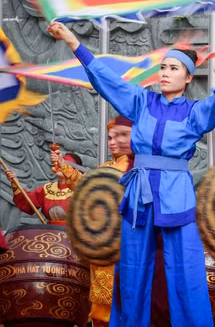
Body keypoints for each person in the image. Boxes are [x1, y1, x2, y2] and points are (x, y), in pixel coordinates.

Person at [46, 20, 215, 327]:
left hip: (177, 195)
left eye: (174, 69)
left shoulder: (192, 112)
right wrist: (72, 40)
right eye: (163, 67)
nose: (165, 73)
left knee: (186, 270)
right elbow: (106, 79)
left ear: (188, 77)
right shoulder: (142, 102)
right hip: (139, 197)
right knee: (132, 270)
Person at [61, 116, 135, 327]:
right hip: (101, 240)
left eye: (119, 136)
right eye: (110, 137)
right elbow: (87, 188)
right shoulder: (106, 166)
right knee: (100, 296)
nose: (112, 142)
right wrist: (64, 168)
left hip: (123, 241)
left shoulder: (133, 166)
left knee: (121, 295)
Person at [3, 153, 80, 223]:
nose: (59, 166)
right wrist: (15, 182)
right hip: (52, 235)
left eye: (65, 164)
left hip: (74, 236)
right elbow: (26, 203)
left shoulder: (80, 190)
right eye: (59, 163)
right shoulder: (47, 189)